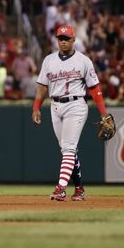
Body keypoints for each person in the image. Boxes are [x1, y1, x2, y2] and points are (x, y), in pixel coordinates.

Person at [32, 25, 110, 202]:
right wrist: (36, 107)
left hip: (76, 105)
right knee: (67, 150)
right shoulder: (49, 60)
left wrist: (104, 114)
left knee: (68, 148)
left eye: (67, 38)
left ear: (74, 40)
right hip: (55, 105)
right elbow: (42, 87)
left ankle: (60, 189)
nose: (63, 42)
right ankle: (79, 188)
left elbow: (95, 89)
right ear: (57, 40)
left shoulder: (84, 61)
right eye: (61, 38)